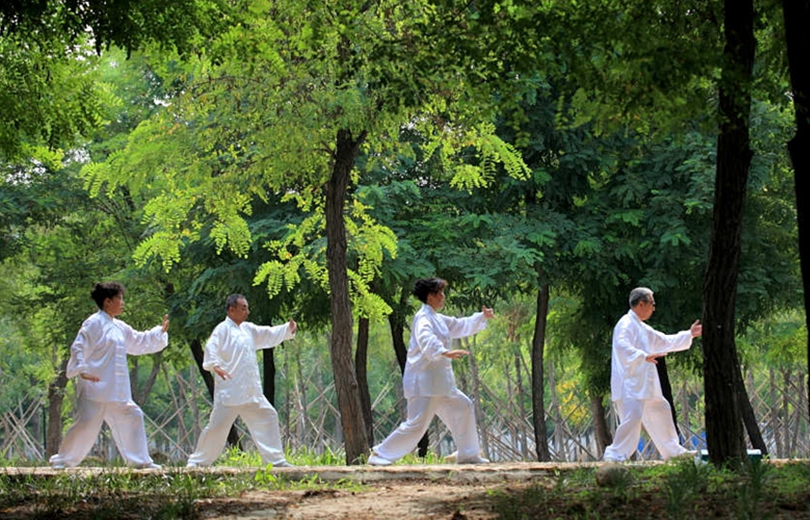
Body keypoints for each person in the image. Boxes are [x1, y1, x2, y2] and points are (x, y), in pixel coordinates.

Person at [368, 277, 494, 466]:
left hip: (440, 384)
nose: (443, 296)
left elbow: (459, 325)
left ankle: (468, 454)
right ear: (430, 296)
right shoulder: (423, 318)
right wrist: (444, 351)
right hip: (424, 383)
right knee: (416, 425)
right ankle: (380, 454)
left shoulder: (437, 318)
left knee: (463, 407)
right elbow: (425, 337)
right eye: (440, 293)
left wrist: (481, 317)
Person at [49, 282, 170, 469]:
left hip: (116, 389)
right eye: (119, 299)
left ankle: (140, 462)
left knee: (133, 416)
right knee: (85, 424)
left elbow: (137, 341)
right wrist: (82, 369)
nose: (122, 303)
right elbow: (79, 346)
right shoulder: (93, 323)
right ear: (107, 302)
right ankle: (63, 461)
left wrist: (159, 333)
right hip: (95, 386)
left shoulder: (119, 327)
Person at [187, 294, 297, 468]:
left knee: (268, 416)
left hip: (251, 391)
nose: (247, 312)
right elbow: (211, 347)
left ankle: (276, 461)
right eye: (243, 308)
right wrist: (215, 365)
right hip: (229, 391)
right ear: (232, 310)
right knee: (216, 428)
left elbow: (267, 333)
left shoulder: (248, 329)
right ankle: (197, 462)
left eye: (247, 308)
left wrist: (286, 329)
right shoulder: (222, 329)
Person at [603, 287, 702, 462]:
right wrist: (643, 355)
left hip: (645, 384)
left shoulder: (642, 328)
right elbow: (621, 345)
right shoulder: (625, 324)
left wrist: (689, 334)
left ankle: (674, 452)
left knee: (661, 411)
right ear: (641, 304)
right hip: (629, 384)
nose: (654, 308)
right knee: (632, 418)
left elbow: (663, 341)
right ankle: (614, 455)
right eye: (652, 304)